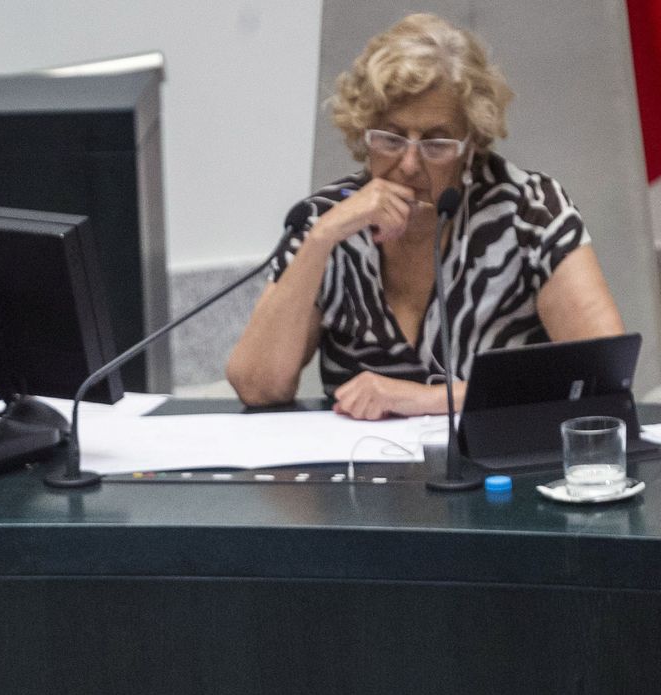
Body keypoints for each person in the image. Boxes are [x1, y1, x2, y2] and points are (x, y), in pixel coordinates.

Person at [226, 12, 624, 419]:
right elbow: (258, 386)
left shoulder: (529, 212)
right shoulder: (329, 221)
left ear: (471, 144)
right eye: (391, 139)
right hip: (362, 473)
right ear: (363, 133)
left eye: (436, 143)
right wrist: (320, 238)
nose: (410, 164)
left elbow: (601, 375)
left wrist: (427, 400)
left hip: (497, 470)